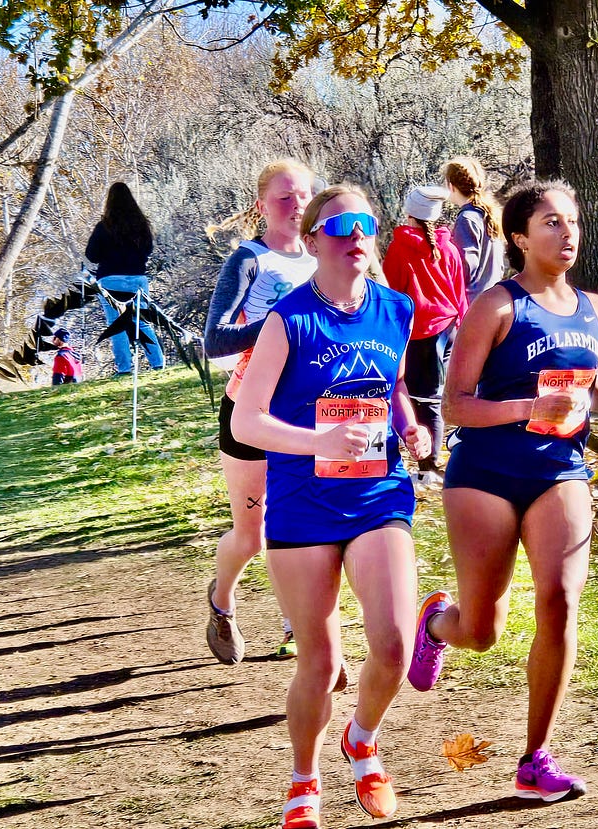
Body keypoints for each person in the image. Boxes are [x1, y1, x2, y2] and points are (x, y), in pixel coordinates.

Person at [232, 184, 432, 827]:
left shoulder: (396, 309)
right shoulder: (289, 320)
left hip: (377, 494)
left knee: (396, 643)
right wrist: (316, 440)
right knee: (318, 662)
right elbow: (246, 420)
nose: (355, 236)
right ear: (314, 239)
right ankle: (304, 777)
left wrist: (410, 427)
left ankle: (363, 739)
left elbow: (394, 387)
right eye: (340, 225)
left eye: (365, 224)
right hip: (301, 505)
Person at [408, 180, 598, 802]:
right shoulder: (496, 307)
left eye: (571, 222)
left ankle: (535, 758)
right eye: (551, 222)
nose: (567, 233)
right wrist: (528, 406)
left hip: (560, 472)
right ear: (520, 237)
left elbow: (586, 390)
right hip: (486, 479)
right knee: (484, 629)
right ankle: (439, 626)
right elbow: (457, 405)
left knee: (559, 601)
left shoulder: (594, 309)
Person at [203, 159, 319, 665]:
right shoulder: (249, 260)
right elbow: (215, 341)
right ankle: (221, 598)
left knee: (301, 523)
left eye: (303, 196)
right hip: (250, 408)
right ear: (261, 206)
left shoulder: (328, 256)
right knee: (251, 534)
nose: (295, 207)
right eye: (283, 198)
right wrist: (279, 323)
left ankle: (301, 626)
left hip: (309, 413)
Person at [383, 185, 467, 483]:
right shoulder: (450, 247)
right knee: (434, 395)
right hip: (449, 328)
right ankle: (429, 458)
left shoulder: (399, 248)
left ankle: (428, 467)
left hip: (419, 334)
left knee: (421, 397)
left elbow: (392, 292)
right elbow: (460, 294)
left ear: (410, 214)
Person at [84, 182, 164, 373]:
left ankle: (124, 368)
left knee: (116, 325)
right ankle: (158, 363)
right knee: (141, 321)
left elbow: (91, 255)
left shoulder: (104, 227)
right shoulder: (142, 226)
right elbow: (148, 250)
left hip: (110, 279)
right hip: (137, 278)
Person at [442, 156, 505, 303]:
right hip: (494, 297)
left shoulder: (467, 219)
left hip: (474, 304)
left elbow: (466, 268)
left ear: (451, 186)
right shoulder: (488, 214)